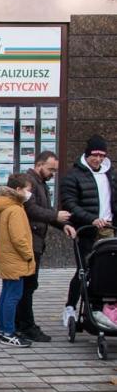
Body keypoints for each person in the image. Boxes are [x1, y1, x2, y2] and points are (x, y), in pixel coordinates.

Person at [17, 151, 76, 342]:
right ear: (39, 164)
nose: (53, 174)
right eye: (50, 169)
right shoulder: (28, 181)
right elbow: (31, 209)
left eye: (55, 170)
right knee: (27, 285)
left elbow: (47, 211)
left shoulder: (40, 183)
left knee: (29, 285)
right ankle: (25, 325)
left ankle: (24, 323)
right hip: (29, 241)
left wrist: (63, 224)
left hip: (36, 242)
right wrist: (55, 217)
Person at [60, 134, 117, 328]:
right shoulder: (74, 176)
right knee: (84, 270)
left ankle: (100, 307)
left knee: (107, 271)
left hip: (108, 229)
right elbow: (70, 203)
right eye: (95, 155)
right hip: (87, 230)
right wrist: (90, 219)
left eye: (102, 156)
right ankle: (70, 306)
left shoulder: (110, 174)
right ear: (87, 154)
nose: (99, 159)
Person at [0, 173, 36, 347]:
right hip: (16, 259)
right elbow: (19, 238)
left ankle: (3, 328)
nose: (29, 193)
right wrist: (29, 254)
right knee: (13, 295)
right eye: (28, 190)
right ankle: (7, 331)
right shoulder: (16, 210)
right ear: (18, 190)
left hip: (7, 257)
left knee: (7, 293)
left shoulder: (5, 207)